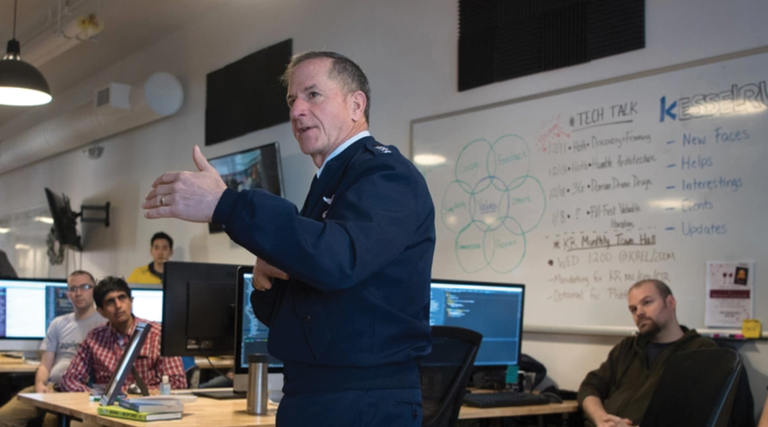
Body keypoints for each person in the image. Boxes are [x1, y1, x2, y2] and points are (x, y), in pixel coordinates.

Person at [141, 51, 435, 426]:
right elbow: (310, 300)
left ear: (356, 104)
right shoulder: (331, 181)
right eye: (292, 100)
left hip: (361, 397)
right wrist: (269, 279)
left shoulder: (386, 174)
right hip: (316, 393)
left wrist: (226, 205)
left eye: (312, 95)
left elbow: (338, 261)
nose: (296, 111)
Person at [578, 279, 719, 427]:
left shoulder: (701, 351)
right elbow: (590, 386)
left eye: (647, 302)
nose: (639, 312)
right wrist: (601, 418)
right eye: (633, 309)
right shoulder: (628, 348)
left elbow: (701, 414)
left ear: (670, 303)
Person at [0, 270, 105, 427]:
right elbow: (45, 364)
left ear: (94, 290)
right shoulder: (58, 323)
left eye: (84, 287)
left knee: (52, 421)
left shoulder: (104, 324)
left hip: (81, 392)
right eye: (73, 288)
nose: (78, 293)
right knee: (4, 417)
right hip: (51, 388)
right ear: (68, 293)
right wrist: (41, 384)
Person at [59, 276, 186, 392]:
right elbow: (69, 380)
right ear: (101, 311)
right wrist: (95, 396)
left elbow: (177, 383)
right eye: (110, 302)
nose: (118, 305)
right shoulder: (94, 338)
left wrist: (138, 394)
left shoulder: (158, 334)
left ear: (131, 301)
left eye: (122, 298)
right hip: (106, 408)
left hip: (148, 406)